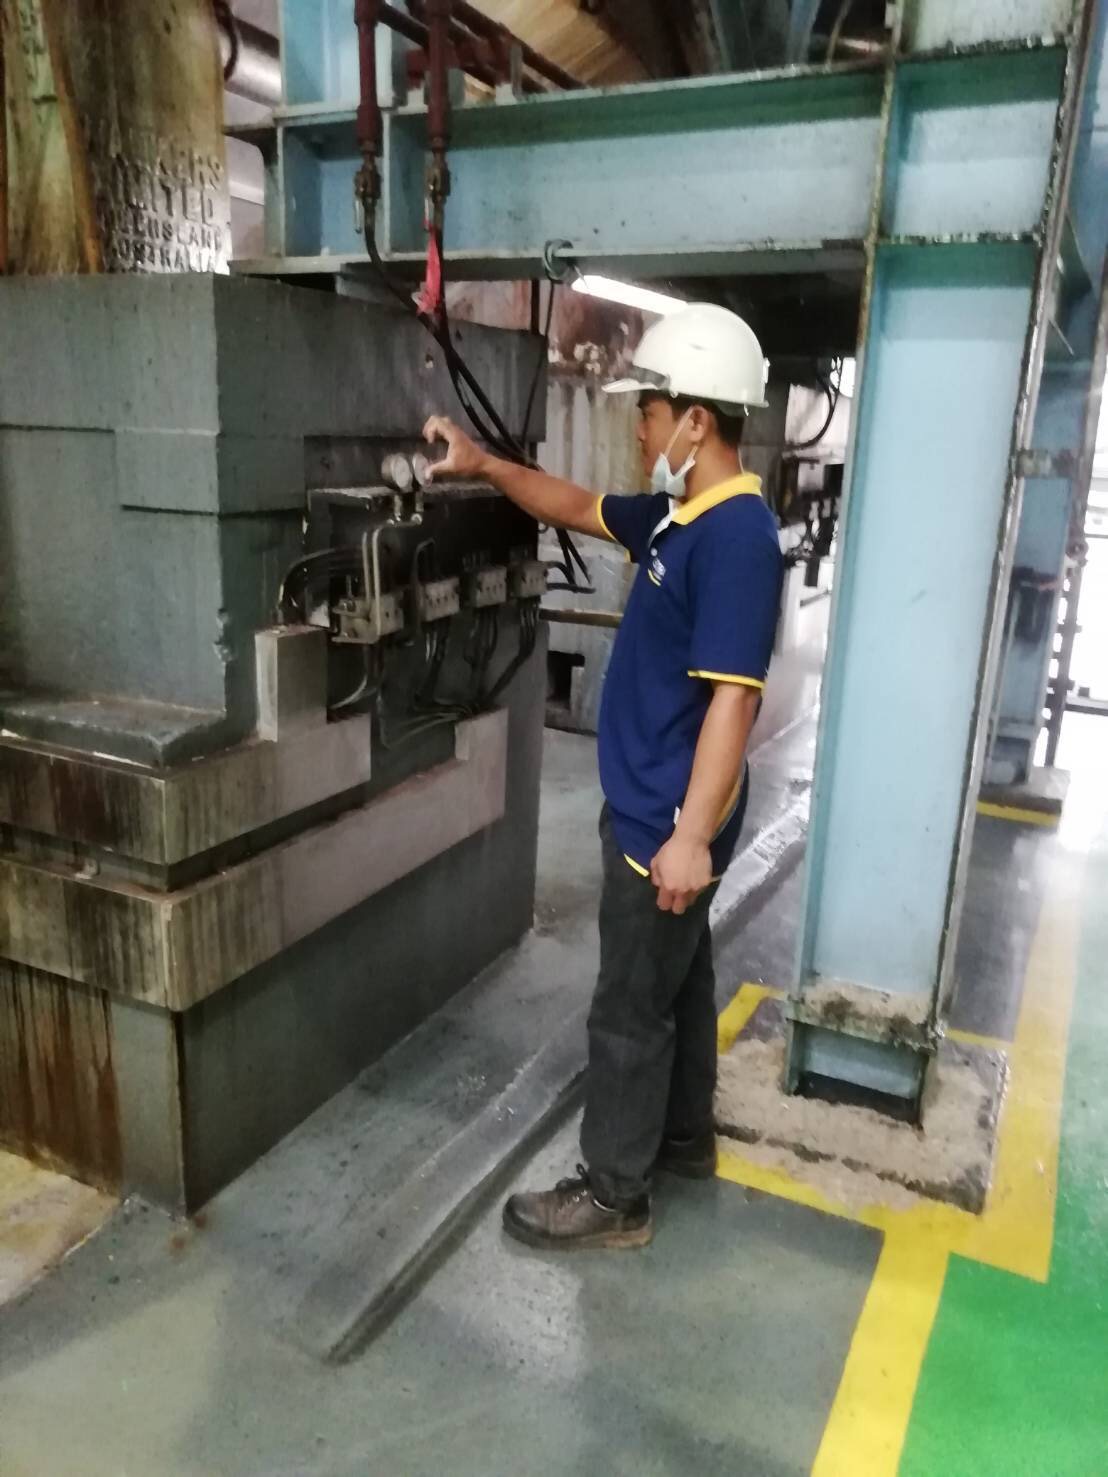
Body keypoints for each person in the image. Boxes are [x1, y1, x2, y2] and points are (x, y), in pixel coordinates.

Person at [423, 302, 783, 1250]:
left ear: (696, 420)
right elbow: (576, 505)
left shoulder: (738, 539)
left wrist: (690, 837)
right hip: (658, 803)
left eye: (649, 412)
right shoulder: (677, 517)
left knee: (628, 1005)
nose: (640, 430)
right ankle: (683, 1138)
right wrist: (484, 464)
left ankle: (616, 1194)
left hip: (667, 815)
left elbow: (735, 702)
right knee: (680, 976)